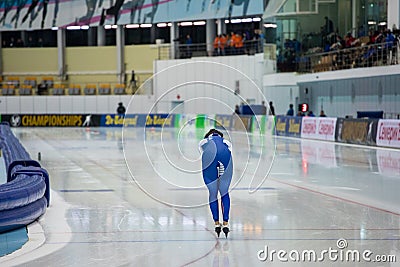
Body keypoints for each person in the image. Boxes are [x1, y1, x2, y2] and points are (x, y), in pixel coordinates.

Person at [199, 129, 233, 238]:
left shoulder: (203, 142)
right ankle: (226, 222)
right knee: (224, 192)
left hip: (209, 157)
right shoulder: (226, 142)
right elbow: (229, 153)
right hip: (225, 157)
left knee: (213, 192)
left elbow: (202, 155)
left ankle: (216, 222)